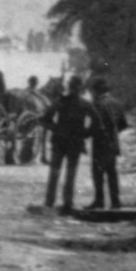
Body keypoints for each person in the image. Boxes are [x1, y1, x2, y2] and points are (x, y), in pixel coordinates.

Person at [42, 75, 99, 212]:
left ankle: (50, 202)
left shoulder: (60, 101)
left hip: (60, 141)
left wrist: (55, 128)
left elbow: (45, 119)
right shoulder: (85, 104)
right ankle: (67, 203)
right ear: (80, 88)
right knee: (70, 173)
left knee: (55, 172)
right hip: (74, 142)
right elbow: (97, 122)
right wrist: (85, 133)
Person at [87, 77, 123, 210]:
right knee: (112, 172)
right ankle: (115, 201)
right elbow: (123, 124)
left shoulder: (97, 104)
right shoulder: (117, 103)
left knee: (98, 173)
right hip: (113, 143)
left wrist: (85, 133)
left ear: (97, 91)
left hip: (100, 143)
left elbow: (95, 125)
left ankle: (99, 200)